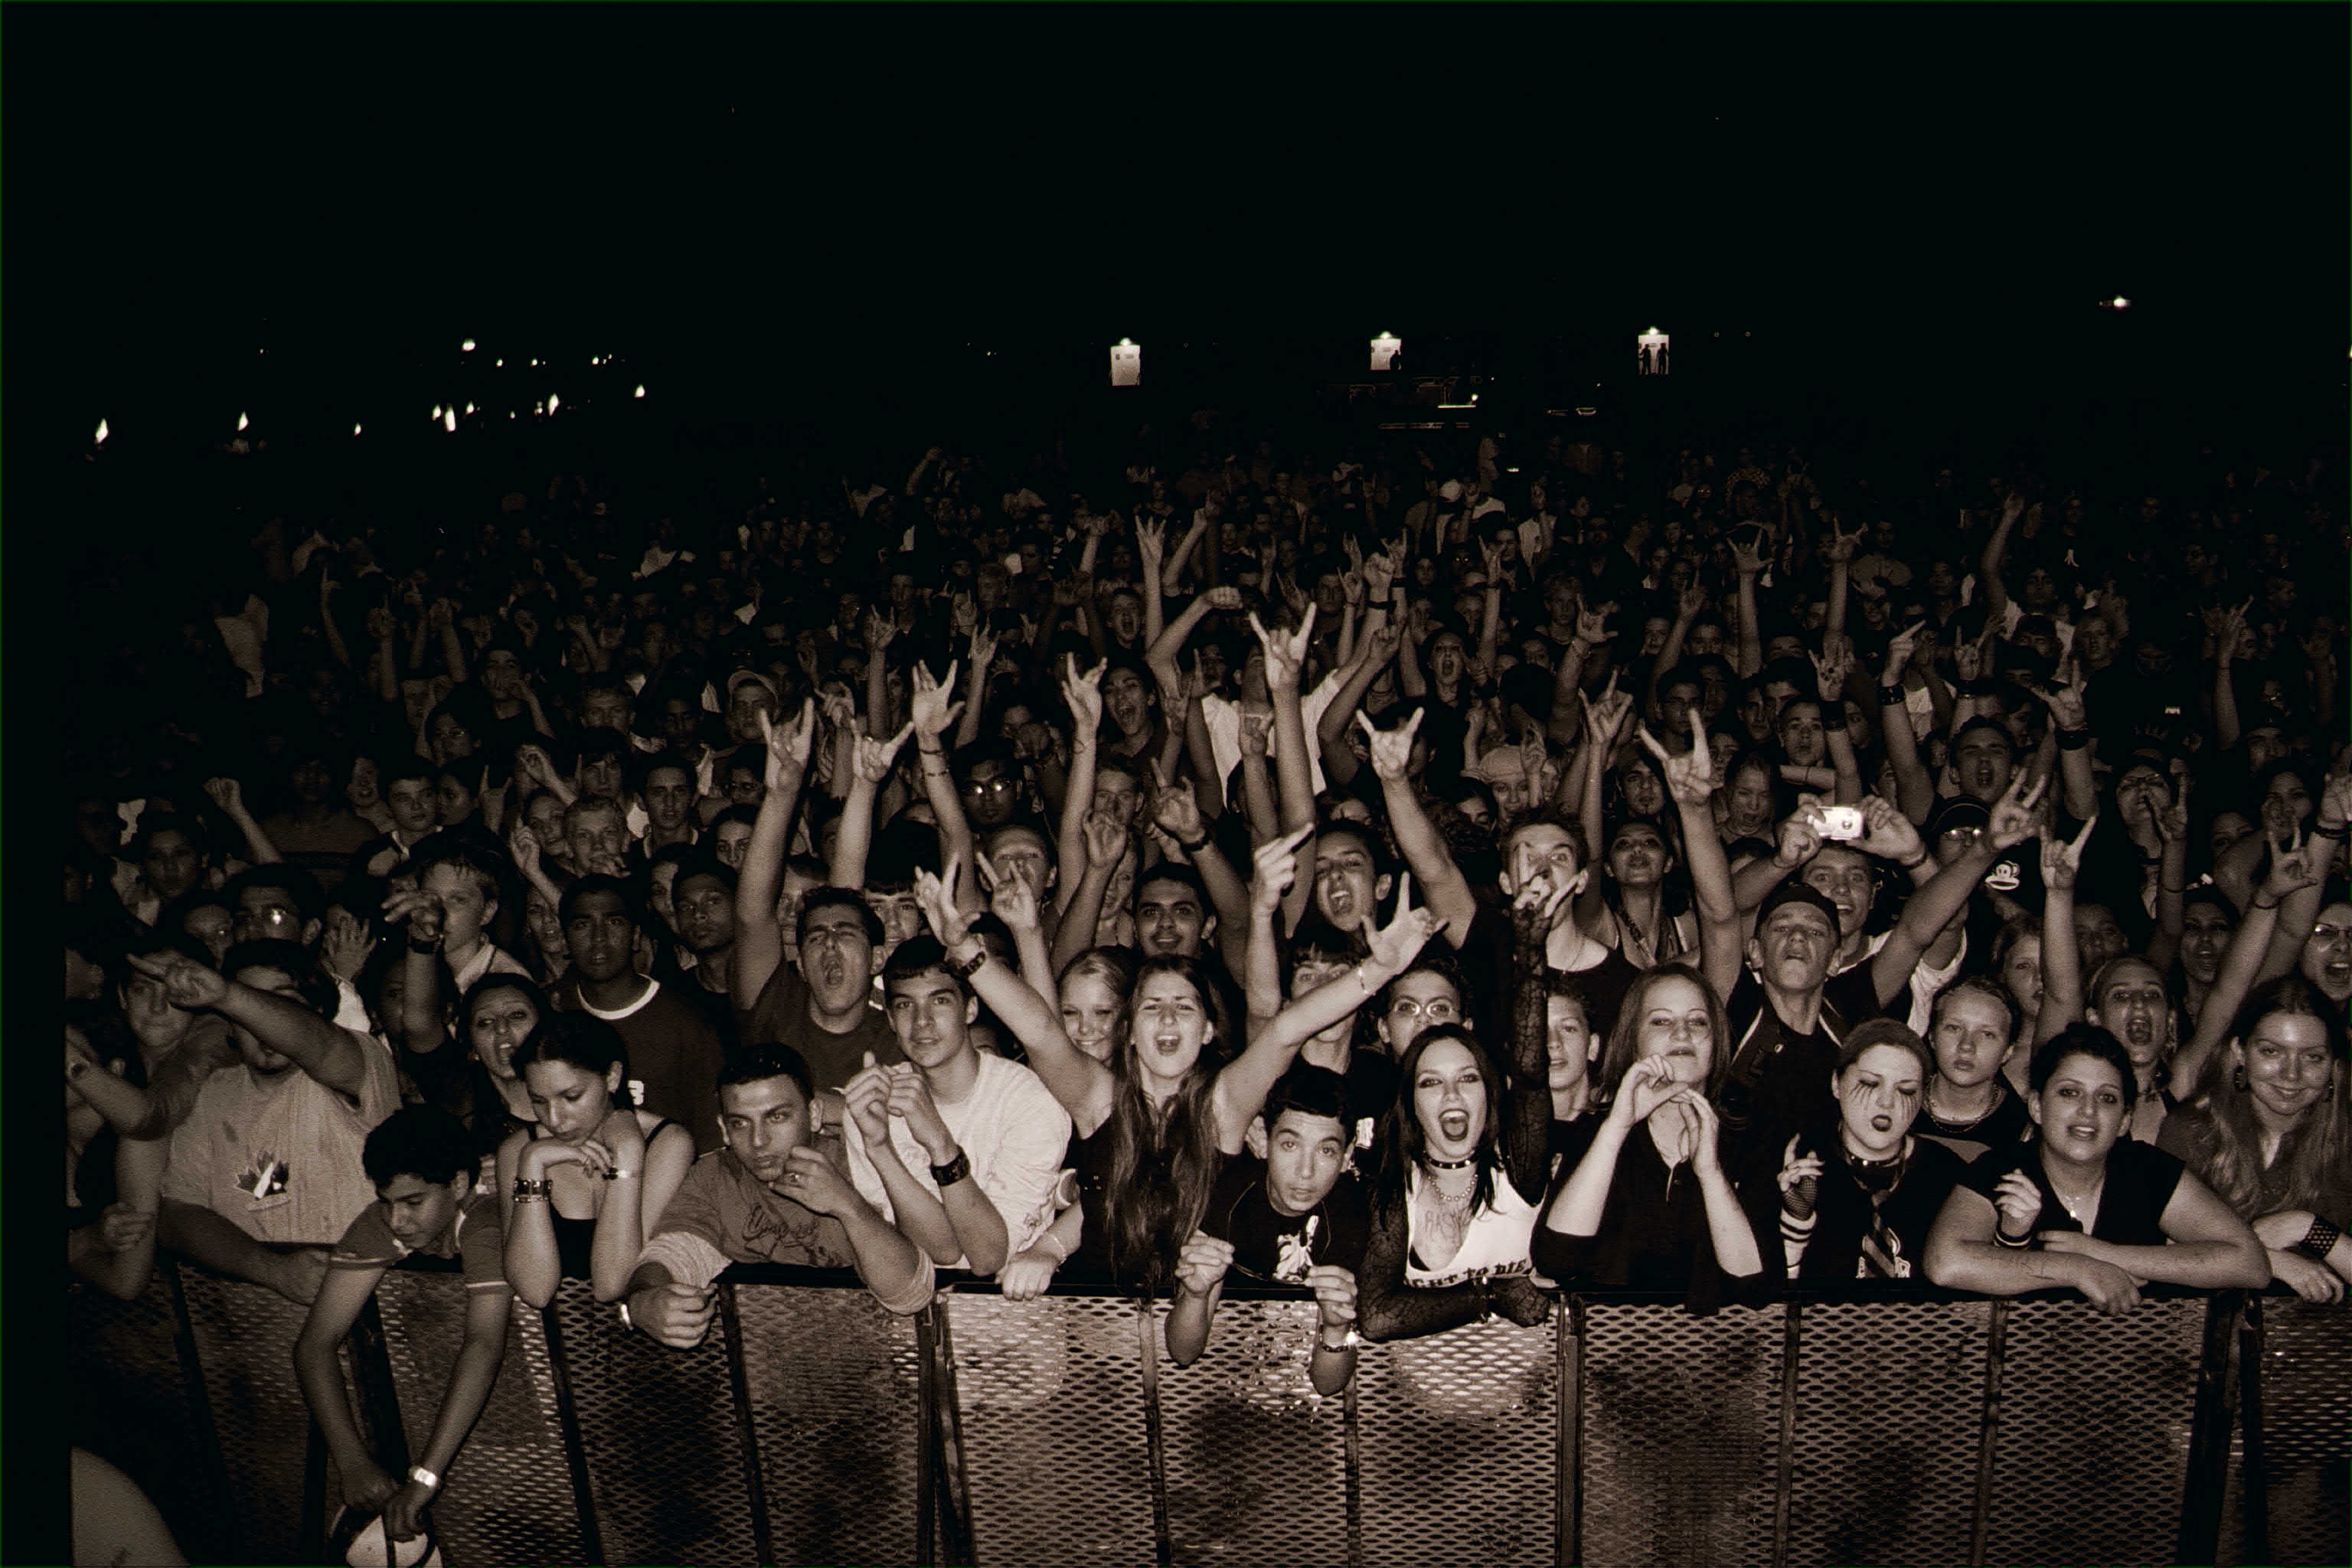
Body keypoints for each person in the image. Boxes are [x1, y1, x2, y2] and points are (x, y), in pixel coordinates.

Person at [927, 840, 1439, 1293]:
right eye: (1152, 1006)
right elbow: (1039, 1031)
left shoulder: (1224, 1104)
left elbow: (1285, 1030)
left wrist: (1377, 972)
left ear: (1208, 1030)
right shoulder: (1099, 1097)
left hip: (1202, 1332)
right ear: (1129, 1029)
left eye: (1185, 1007)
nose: (1168, 1018)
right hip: (1097, 1322)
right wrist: (965, 950)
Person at [1922, 1026, 2271, 1315]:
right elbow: (1945, 1262)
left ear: (2125, 1120)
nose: (2088, 1111)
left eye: (2106, 1098)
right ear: (2037, 1106)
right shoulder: (2001, 1168)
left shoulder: (2147, 1169)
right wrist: (2076, 1268)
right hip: (2024, 1383)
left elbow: (2249, 1264)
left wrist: (2106, 1254)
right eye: (2070, 1093)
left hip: (2134, 1375)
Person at [296, 1106, 510, 1550]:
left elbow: (484, 1343)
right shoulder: (389, 1218)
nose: (397, 1221)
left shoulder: (487, 1215)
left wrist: (425, 1476)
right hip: (459, 1417)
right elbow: (314, 1345)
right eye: (386, 1201)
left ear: (458, 1184)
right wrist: (351, 1461)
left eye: (413, 1203)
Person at [142, 940, 400, 1304]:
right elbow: (178, 1216)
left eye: (283, 1003)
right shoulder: (213, 1095)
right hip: (255, 1316)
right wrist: (273, 1271)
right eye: (247, 1009)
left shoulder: (358, 1063)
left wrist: (229, 994)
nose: (259, 1024)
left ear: (319, 1013)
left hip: (365, 1303)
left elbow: (321, 1046)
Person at [622, 1045, 934, 1347]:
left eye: (777, 1117)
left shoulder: (860, 1160)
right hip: (771, 1371)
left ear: (814, 1114)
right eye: (740, 1123)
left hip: (889, 1359)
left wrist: (848, 1206)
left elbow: (909, 1295)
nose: (758, 1141)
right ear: (723, 1129)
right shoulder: (717, 1177)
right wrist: (644, 1302)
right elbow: (672, 1254)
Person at [1535, 964, 1772, 1310]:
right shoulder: (1599, 1131)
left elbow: (1755, 1290)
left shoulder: (1748, 1134)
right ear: (1634, 1042)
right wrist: (1616, 1130)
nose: (1682, 1034)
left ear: (1716, 1041)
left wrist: (1710, 1174)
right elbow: (1556, 1259)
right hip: (1609, 1354)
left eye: (1698, 1022)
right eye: (1661, 1021)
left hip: (1715, 1355)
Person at [837, 935, 1072, 1274]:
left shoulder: (1030, 1101)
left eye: (940, 1001)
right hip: (920, 1313)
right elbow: (942, 1251)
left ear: (971, 1008)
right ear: (889, 1018)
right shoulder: (869, 1106)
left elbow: (989, 1258)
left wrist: (940, 1144)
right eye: (905, 1006)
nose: (922, 1022)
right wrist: (879, 1147)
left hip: (1014, 1315)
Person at [1168, 1063, 1370, 1394]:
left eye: (1326, 1150)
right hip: (1222, 1381)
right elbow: (1184, 1352)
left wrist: (1337, 1329)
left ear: (1347, 1156)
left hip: (1311, 1401)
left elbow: (1328, 1384)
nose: (1306, 1172)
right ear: (1263, 1140)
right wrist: (1194, 1295)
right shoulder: (1228, 1195)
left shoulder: (1351, 1214)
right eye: (1290, 1145)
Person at [2158, 976, 2352, 1302]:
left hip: (2322, 1334)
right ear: (2239, 1053)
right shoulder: (2190, 1130)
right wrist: (2268, 1261)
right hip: (2204, 1327)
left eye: (2312, 1057)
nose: (2291, 1074)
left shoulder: (2345, 1136)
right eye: (2272, 1052)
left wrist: (2307, 1228)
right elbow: (2163, 1251)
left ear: (2334, 1066)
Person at [498, 1011, 697, 1306]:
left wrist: (628, 1152)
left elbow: (613, 1284)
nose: (555, 1119)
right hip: (561, 1346)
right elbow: (535, 1291)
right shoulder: (522, 1150)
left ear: (612, 1077)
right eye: (539, 1101)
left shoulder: (667, 1143)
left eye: (572, 1097)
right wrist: (532, 1164)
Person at [1759, 1019, 1968, 1280]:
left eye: (1906, 1089)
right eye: (1870, 1083)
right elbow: (1762, 1299)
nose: (1886, 1101)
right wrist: (1794, 1229)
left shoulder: (1947, 1174)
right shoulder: (1794, 1162)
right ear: (1837, 1083)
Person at [549, 875, 727, 1152]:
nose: (599, 938)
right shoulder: (554, 1010)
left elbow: (711, 1143)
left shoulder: (686, 1023)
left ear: (635, 937)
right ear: (564, 938)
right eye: (583, 925)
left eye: (614, 922)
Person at [1915, 978, 2036, 1163]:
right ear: (1932, 1037)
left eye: (1987, 1034)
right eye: (1954, 1028)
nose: (1966, 1046)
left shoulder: (2021, 1129)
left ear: (2008, 1052)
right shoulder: (1901, 1101)